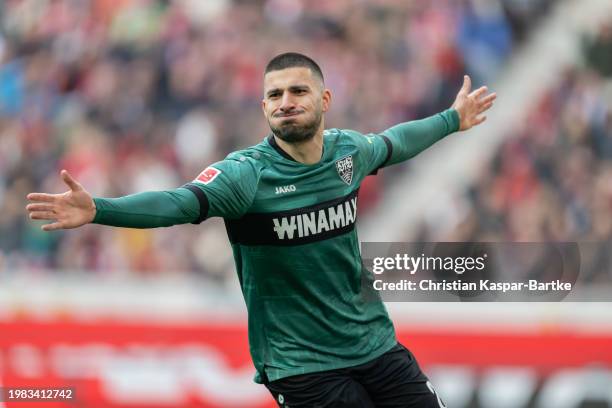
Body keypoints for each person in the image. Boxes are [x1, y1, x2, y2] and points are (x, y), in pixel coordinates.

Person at [26, 52, 496, 407]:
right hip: (301, 364)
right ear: (263, 106)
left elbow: (396, 142)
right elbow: (178, 202)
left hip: (374, 343)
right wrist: (101, 209)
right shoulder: (246, 175)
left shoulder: (347, 153)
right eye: (274, 95)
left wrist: (452, 119)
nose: (285, 103)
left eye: (297, 92)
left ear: (324, 100)